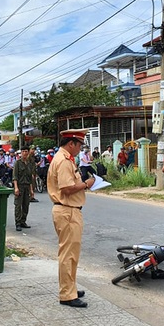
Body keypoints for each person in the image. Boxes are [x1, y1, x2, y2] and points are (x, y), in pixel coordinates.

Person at [47, 129, 95, 308]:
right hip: (67, 210)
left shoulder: (64, 158)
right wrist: (86, 184)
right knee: (68, 255)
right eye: (79, 145)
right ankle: (67, 294)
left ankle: (70, 288)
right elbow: (67, 188)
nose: (80, 149)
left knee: (72, 254)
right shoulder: (64, 161)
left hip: (68, 210)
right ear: (71, 144)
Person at [13, 147, 35, 231]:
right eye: (23, 151)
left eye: (26, 151)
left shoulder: (29, 163)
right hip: (19, 186)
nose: (24, 153)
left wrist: (31, 190)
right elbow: (15, 177)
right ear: (21, 153)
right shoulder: (17, 163)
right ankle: (18, 223)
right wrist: (16, 188)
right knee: (18, 205)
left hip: (27, 186)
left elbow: (30, 178)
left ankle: (23, 221)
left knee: (26, 205)